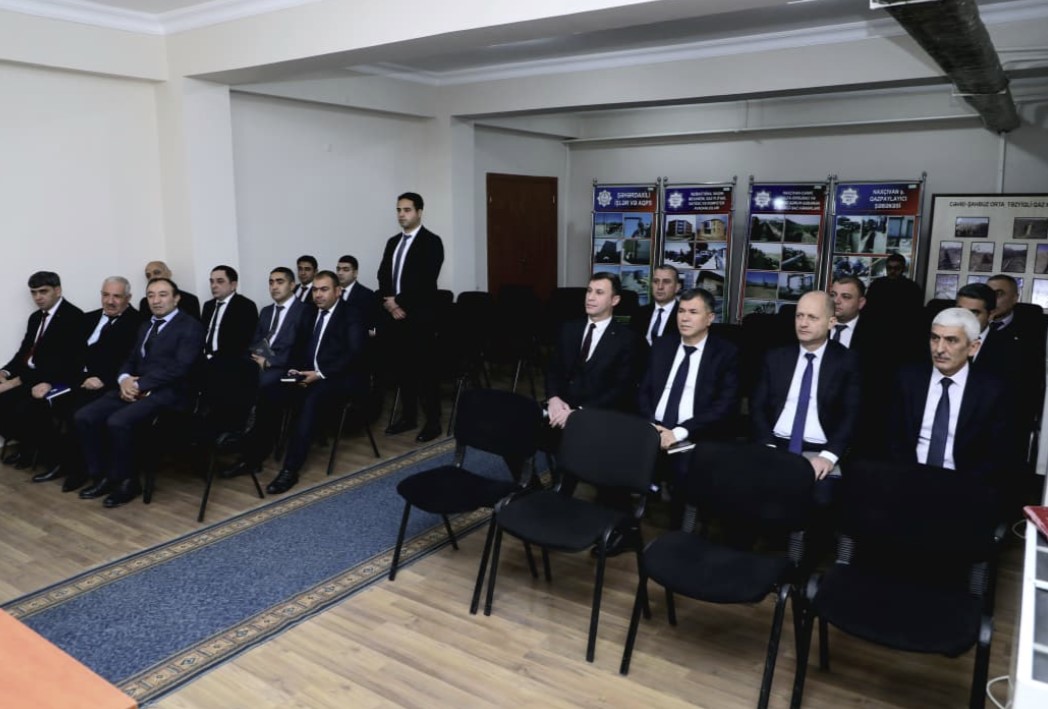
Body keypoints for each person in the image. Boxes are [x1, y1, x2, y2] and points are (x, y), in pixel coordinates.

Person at [74, 277, 205, 507]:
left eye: (163, 295)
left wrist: (140, 385)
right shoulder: (146, 325)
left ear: (176, 299)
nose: (156, 300)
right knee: (85, 416)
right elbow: (131, 359)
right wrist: (124, 379)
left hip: (171, 393)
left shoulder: (190, 326)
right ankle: (103, 476)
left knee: (118, 421)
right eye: (151, 295)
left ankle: (128, 482)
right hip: (137, 387)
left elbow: (180, 368)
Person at [750, 291, 861, 501]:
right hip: (776, 444)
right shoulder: (776, 357)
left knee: (821, 499)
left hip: (819, 449)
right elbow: (758, 407)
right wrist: (768, 446)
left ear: (831, 322)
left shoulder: (847, 361)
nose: (803, 323)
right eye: (799, 316)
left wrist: (828, 456)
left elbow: (851, 416)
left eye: (812, 317)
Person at [34, 277, 140, 491]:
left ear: (128, 298)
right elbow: (68, 354)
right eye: (106, 295)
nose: (110, 301)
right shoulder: (88, 318)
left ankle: (85, 471)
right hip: (76, 380)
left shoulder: (137, 323)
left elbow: (132, 361)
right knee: (41, 407)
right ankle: (63, 463)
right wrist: (50, 380)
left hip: (107, 384)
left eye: (117, 296)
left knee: (76, 413)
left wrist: (104, 379)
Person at [888, 307, 1014, 488]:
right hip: (907, 478)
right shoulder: (908, 379)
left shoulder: (992, 391)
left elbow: (996, 454)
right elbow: (893, 439)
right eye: (935, 338)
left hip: (966, 485)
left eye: (951, 340)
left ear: (973, 347)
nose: (939, 349)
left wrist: (962, 487)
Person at [0, 271, 86, 472]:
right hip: (32, 376)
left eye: (43, 291)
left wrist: (16, 381)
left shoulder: (73, 317)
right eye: (34, 292)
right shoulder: (35, 317)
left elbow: (64, 363)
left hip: (55, 379)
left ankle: (51, 457)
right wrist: (4, 372)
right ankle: (29, 447)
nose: (38, 297)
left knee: (25, 407)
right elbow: (24, 353)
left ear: (58, 290)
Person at [377, 192, 445, 442]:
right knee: (403, 369)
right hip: (395, 316)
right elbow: (383, 273)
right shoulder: (393, 242)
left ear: (419, 212)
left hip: (420, 317)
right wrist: (389, 302)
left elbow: (426, 281)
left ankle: (433, 422)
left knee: (425, 372)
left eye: (406, 210)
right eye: (398, 210)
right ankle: (409, 417)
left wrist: (399, 301)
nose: (401, 214)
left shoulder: (432, 242)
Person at [638, 287, 739, 450]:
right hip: (653, 430)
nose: (684, 318)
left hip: (695, 435)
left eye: (693, 312)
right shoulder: (662, 346)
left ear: (710, 318)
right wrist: (652, 426)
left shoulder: (725, 353)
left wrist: (678, 433)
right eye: (681, 311)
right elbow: (644, 391)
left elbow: (724, 404)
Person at [546, 272, 640, 428]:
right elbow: (553, 369)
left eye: (599, 292)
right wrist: (553, 398)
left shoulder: (627, 339)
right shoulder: (569, 329)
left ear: (614, 300)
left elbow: (621, 389)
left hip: (599, 417)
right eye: (589, 291)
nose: (590, 297)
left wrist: (579, 412)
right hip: (560, 409)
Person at [199, 265, 259, 431]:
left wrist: (213, 358)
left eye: (220, 281)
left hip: (230, 359)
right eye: (211, 281)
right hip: (205, 358)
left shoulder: (245, 306)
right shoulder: (208, 306)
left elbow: (242, 341)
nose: (214, 285)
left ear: (233, 285)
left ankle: (224, 429)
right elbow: (202, 335)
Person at [249, 267, 310, 389]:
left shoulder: (305, 311)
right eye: (271, 283)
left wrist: (269, 362)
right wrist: (257, 358)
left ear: (292, 285)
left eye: (280, 282)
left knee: (260, 382)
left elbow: (301, 349)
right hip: (259, 361)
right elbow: (256, 340)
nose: (274, 287)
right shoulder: (266, 311)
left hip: (284, 366)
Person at [630, 265, 681, 347]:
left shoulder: (684, 315)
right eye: (656, 281)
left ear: (677, 287)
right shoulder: (639, 313)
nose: (660, 287)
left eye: (666, 282)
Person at [336, 254, 378, 333]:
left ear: (355, 273)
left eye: (346, 270)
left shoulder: (367, 295)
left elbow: (371, 326)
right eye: (338, 269)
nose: (340, 273)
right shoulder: (331, 292)